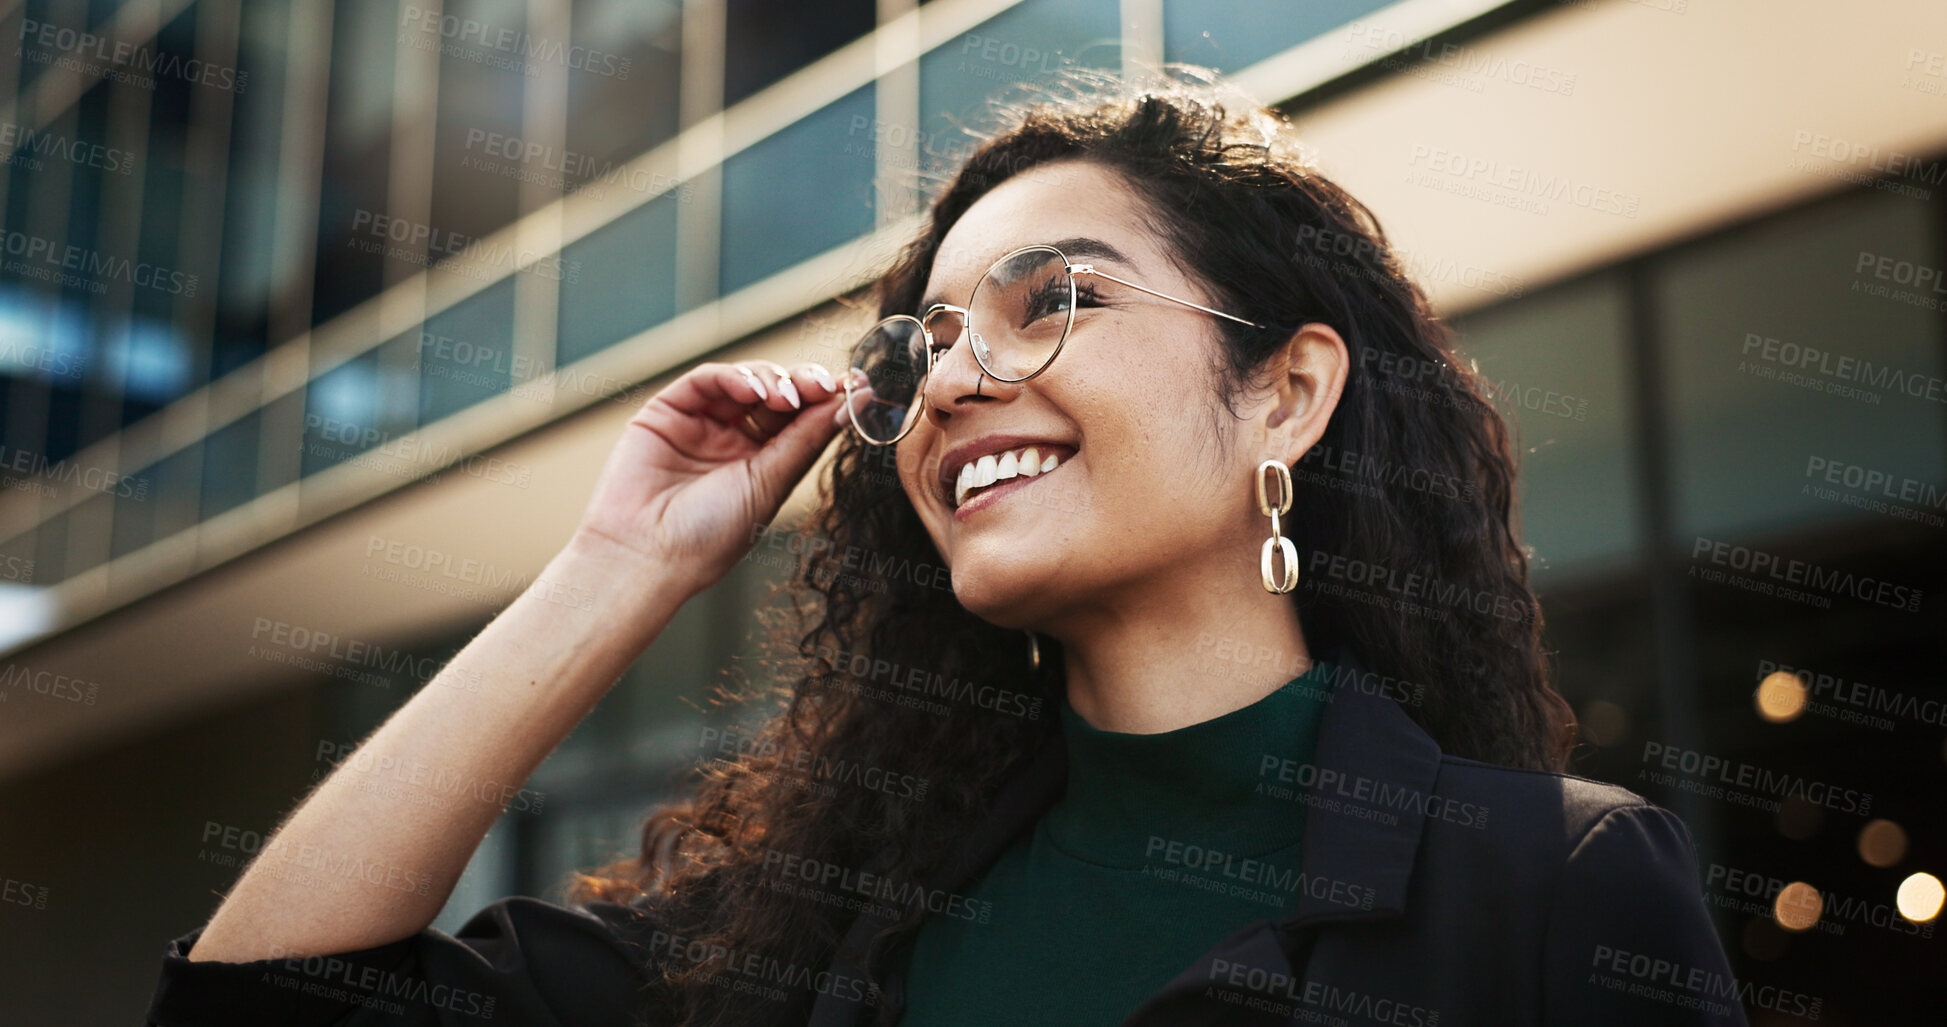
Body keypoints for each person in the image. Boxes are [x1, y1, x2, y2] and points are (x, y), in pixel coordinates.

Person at [147, 68, 1745, 1027]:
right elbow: (254, 1011)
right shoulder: (810, 920)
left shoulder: (1543, 885)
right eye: (923, 348)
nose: (957, 379)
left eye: (1056, 300)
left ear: (1288, 394)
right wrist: (619, 568)